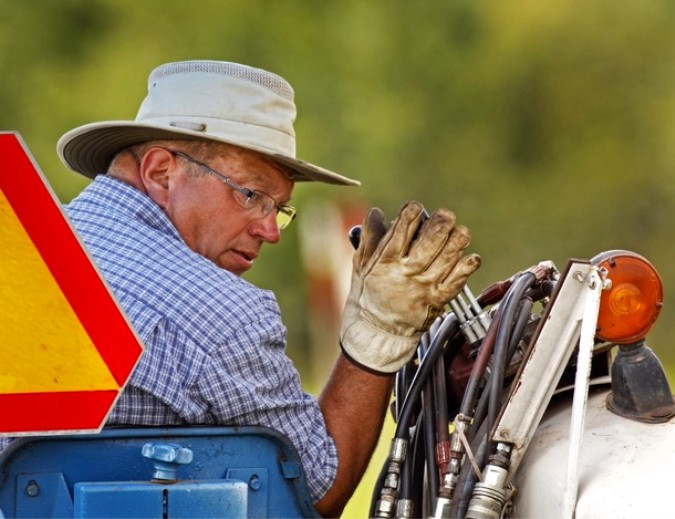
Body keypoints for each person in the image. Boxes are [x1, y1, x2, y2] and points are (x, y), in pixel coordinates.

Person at [19, 61, 482, 517]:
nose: (272, 230)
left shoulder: (19, 247)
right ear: (161, 172)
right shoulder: (222, 311)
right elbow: (317, 489)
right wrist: (379, 334)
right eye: (251, 195)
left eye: (278, 207)